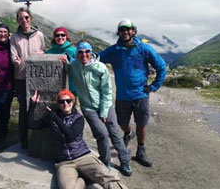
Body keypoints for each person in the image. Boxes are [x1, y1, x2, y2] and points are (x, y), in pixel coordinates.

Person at [28, 89, 128, 189]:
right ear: (58, 104)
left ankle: (88, 175)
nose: (65, 103)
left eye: (68, 100)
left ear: (73, 102)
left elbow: (70, 136)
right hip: (64, 162)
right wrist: (32, 105)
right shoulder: (52, 118)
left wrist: (55, 118)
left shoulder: (78, 118)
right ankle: (84, 180)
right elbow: (32, 125)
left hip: (83, 156)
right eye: (61, 101)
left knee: (108, 179)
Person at [99, 19, 167, 167]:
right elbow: (96, 58)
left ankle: (141, 150)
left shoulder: (144, 49)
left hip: (141, 95)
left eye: (128, 29)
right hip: (123, 96)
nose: (125, 32)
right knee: (122, 123)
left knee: (141, 124)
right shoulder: (114, 51)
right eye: (122, 30)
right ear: (119, 33)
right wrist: (74, 56)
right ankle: (129, 133)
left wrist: (154, 86)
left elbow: (161, 66)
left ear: (134, 31)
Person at [60, 41, 132, 176]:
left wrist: (104, 112)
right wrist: (65, 62)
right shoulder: (75, 65)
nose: (84, 55)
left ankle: (125, 160)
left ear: (91, 52)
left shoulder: (100, 67)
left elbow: (107, 91)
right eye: (80, 52)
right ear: (77, 53)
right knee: (102, 134)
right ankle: (105, 161)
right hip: (88, 107)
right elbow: (69, 69)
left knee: (114, 133)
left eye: (87, 51)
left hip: (105, 105)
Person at [10, 7, 45, 149]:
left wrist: (41, 54)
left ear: (30, 18)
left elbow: (43, 50)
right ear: (18, 20)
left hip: (36, 78)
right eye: (21, 18)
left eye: (26, 17)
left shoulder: (39, 35)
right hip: (21, 77)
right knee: (24, 109)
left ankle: (39, 137)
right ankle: (24, 140)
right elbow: (13, 54)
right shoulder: (14, 37)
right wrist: (15, 61)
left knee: (38, 107)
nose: (24, 20)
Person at [46, 27, 77, 96]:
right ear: (54, 38)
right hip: (54, 86)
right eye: (57, 35)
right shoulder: (49, 52)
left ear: (66, 37)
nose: (60, 37)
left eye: (63, 35)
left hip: (72, 87)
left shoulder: (74, 50)